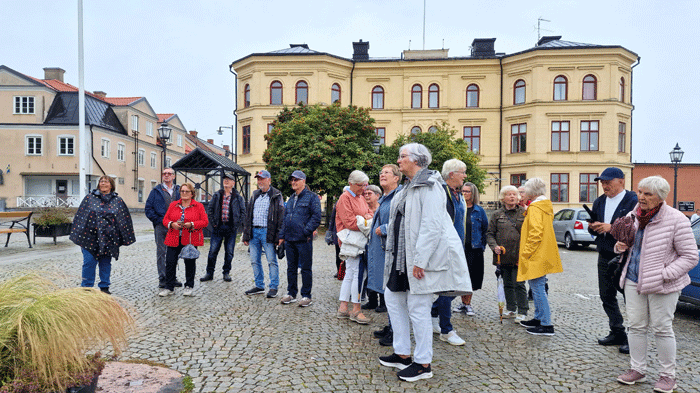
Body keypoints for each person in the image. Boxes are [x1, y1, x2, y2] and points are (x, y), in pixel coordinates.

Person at [378, 143, 471, 382]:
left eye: (402, 157)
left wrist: (420, 260)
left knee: (418, 310)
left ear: (417, 160)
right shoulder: (408, 187)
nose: (398, 161)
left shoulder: (430, 186)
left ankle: (423, 363)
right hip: (400, 259)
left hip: (418, 261)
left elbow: (431, 226)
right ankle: (402, 353)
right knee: (393, 300)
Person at [614, 176, 698, 393]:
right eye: (640, 192)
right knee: (636, 326)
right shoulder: (632, 215)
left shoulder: (677, 219)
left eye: (647, 194)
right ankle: (637, 369)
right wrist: (619, 246)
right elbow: (628, 246)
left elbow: (689, 256)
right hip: (633, 280)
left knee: (662, 328)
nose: (641, 197)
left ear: (660, 197)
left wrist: (666, 274)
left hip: (664, 284)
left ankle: (668, 376)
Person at [587, 167, 637, 354]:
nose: (604, 185)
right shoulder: (599, 201)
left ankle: (634, 338)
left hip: (625, 255)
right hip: (605, 252)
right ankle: (617, 331)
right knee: (606, 295)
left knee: (629, 297)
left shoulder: (632, 200)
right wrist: (594, 227)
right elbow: (594, 228)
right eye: (602, 182)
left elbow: (634, 226)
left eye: (608, 182)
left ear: (621, 181)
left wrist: (610, 227)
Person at [70, 175, 135, 294]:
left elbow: (123, 219)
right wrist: (78, 232)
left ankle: (105, 287)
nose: (103, 183)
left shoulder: (118, 201)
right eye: (101, 181)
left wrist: (123, 236)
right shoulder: (89, 198)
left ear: (111, 185)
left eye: (106, 181)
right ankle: (86, 287)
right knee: (89, 262)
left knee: (105, 263)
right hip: (89, 237)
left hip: (108, 238)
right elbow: (81, 216)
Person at [517, 177, 563, 336]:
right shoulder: (542, 206)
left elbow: (535, 233)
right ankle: (538, 318)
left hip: (535, 254)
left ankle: (546, 324)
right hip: (542, 253)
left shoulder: (536, 208)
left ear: (531, 191)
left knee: (537, 289)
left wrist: (526, 252)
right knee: (537, 287)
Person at [431, 159, 468, 346]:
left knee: (454, 286)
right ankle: (446, 329)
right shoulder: (442, 193)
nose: (465, 175)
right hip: (446, 247)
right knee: (448, 288)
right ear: (452, 174)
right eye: (463, 172)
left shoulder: (457, 194)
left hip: (457, 247)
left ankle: (433, 313)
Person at [367, 164, 402, 346]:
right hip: (382, 250)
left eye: (386, 172)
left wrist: (386, 229)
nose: (382, 175)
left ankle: (397, 331)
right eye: (381, 172)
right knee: (387, 292)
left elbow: (403, 220)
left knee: (392, 293)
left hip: (392, 251)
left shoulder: (400, 196)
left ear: (397, 177)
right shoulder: (387, 197)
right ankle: (391, 326)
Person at [336, 171, 374, 323]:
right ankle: (356, 309)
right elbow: (350, 222)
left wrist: (365, 218)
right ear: (351, 183)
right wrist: (365, 220)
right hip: (351, 242)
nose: (364, 189)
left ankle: (343, 307)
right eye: (361, 185)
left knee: (351, 274)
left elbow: (370, 212)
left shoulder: (359, 197)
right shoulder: (345, 197)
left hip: (356, 241)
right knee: (357, 275)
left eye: (366, 185)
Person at [279, 170, 322, 307]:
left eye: (296, 180)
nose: (293, 182)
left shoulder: (312, 197)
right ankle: (291, 293)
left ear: (303, 181)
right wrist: (282, 236)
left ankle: (306, 295)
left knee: (305, 268)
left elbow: (316, 217)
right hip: (290, 239)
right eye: (292, 180)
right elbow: (286, 218)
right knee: (291, 267)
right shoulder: (291, 198)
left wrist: (306, 231)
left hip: (304, 239)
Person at [486, 185, 528, 322]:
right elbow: (490, 233)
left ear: (518, 198)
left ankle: (523, 311)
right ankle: (511, 309)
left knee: (519, 284)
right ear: (503, 198)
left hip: (518, 256)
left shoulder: (524, 213)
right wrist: (494, 246)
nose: (512, 197)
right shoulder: (497, 215)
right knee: (507, 284)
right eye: (509, 194)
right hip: (502, 257)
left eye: (514, 195)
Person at [159, 183, 209, 297]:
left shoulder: (198, 206)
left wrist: (191, 224)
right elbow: (165, 219)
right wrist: (172, 224)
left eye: (187, 191)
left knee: (190, 262)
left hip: (190, 238)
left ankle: (189, 286)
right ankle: (169, 287)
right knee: (170, 262)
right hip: (174, 237)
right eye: (182, 191)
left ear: (192, 193)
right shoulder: (173, 205)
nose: (184, 193)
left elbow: (205, 222)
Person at [241, 170, 285, 298]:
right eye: (258, 179)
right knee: (254, 260)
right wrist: (246, 234)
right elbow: (249, 215)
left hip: (268, 232)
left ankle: (273, 286)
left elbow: (280, 217)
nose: (260, 181)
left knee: (271, 260)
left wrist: (279, 236)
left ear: (269, 180)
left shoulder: (276, 194)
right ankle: (259, 285)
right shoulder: (255, 195)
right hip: (254, 231)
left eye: (262, 179)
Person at [201, 173, 245, 282]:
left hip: (231, 229)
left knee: (229, 252)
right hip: (218, 228)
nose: (226, 181)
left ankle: (226, 273)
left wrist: (236, 225)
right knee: (212, 251)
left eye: (229, 179)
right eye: (225, 179)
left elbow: (243, 212)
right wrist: (213, 224)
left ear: (233, 183)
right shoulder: (217, 195)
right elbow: (210, 210)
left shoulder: (238, 197)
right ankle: (209, 273)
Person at [453, 182, 488, 316]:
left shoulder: (479, 210)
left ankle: (467, 304)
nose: (464, 193)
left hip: (475, 249)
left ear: (473, 194)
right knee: (461, 277)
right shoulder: (458, 208)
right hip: (460, 248)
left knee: (472, 278)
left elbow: (485, 229)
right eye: (463, 191)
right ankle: (464, 303)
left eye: (467, 191)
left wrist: (482, 246)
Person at [145, 168, 181, 288]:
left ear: (173, 176)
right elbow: (148, 209)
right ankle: (163, 278)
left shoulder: (178, 191)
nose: (166, 175)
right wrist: (157, 220)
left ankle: (172, 277)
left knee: (174, 252)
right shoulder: (156, 191)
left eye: (169, 174)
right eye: (164, 173)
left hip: (175, 226)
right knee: (161, 252)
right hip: (161, 226)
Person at [361, 185, 383, 312]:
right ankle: (372, 300)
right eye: (366, 194)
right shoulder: (363, 209)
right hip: (366, 244)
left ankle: (383, 302)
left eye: (370, 193)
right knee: (369, 273)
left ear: (377, 195)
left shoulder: (382, 208)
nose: (367, 196)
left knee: (380, 272)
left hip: (379, 245)